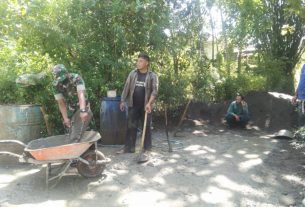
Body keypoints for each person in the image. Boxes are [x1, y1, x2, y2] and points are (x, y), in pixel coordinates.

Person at [117, 53, 159, 154]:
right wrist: (122, 100)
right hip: (133, 105)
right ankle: (129, 148)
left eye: (141, 61)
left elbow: (155, 91)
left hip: (146, 106)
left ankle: (147, 149)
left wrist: (149, 103)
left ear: (146, 63)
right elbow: (126, 87)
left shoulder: (152, 76)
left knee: (147, 127)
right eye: (138, 61)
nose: (138, 63)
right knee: (131, 126)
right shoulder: (133, 73)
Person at [52, 64, 92, 140]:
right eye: (59, 78)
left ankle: (91, 149)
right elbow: (61, 103)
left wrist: (83, 110)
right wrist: (65, 118)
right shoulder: (55, 85)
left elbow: (81, 95)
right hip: (70, 108)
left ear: (67, 73)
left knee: (87, 133)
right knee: (73, 134)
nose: (62, 80)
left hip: (83, 105)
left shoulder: (76, 78)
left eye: (63, 77)